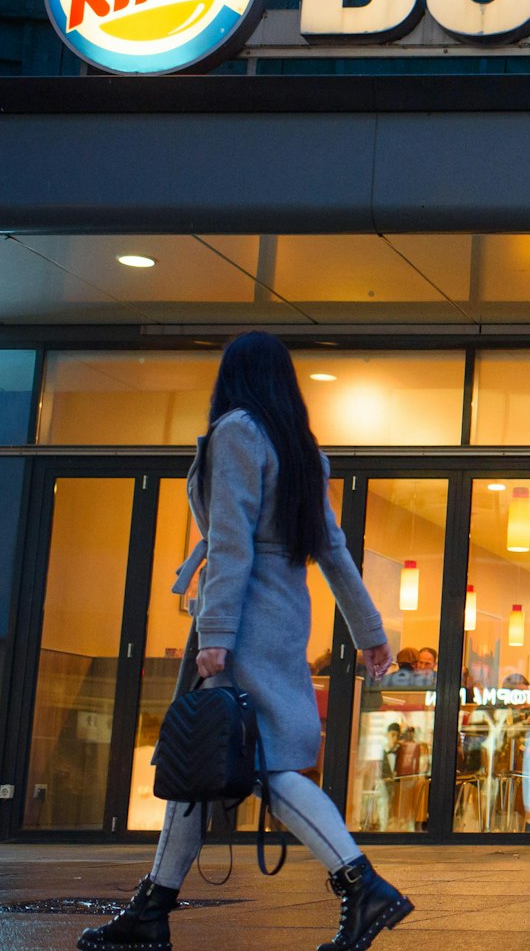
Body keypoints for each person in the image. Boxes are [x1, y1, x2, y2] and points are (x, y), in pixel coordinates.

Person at [78, 331, 413, 951]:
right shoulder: (301, 447)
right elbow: (332, 549)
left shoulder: (236, 432)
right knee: (205, 761)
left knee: (262, 762)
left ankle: (362, 884)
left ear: (232, 376)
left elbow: (230, 541)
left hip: (246, 612)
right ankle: (152, 908)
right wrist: (369, 632)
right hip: (284, 609)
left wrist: (216, 633)